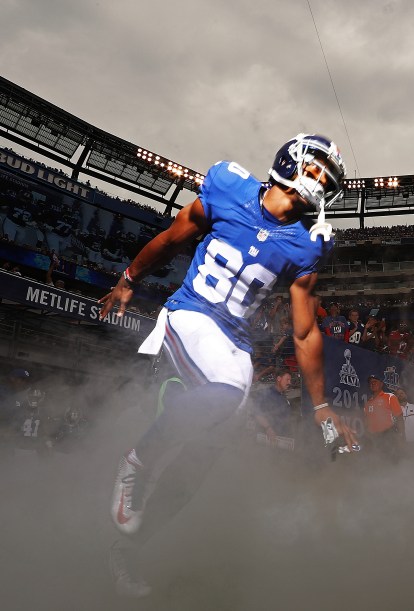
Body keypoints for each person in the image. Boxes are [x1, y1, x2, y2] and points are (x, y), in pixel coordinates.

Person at [97, 133, 358, 597]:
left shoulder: (306, 245)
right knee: (225, 392)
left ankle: (130, 546)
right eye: (315, 169)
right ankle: (138, 459)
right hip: (191, 311)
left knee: (206, 455)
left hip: (234, 340)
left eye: (328, 178)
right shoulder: (227, 185)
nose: (320, 182)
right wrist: (128, 279)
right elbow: (175, 237)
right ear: (290, 161)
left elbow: (304, 332)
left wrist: (320, 407)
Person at [361, 374, 403, 456]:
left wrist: (401, 436)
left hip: (388, 436)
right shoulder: (367, 403)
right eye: (370, 382)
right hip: (373, 439)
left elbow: (399, 418)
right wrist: (367, 437)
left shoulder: (390, 397)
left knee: (391, 462)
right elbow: (366, 422)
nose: (372, 383)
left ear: (381, 384)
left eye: (375, 381)